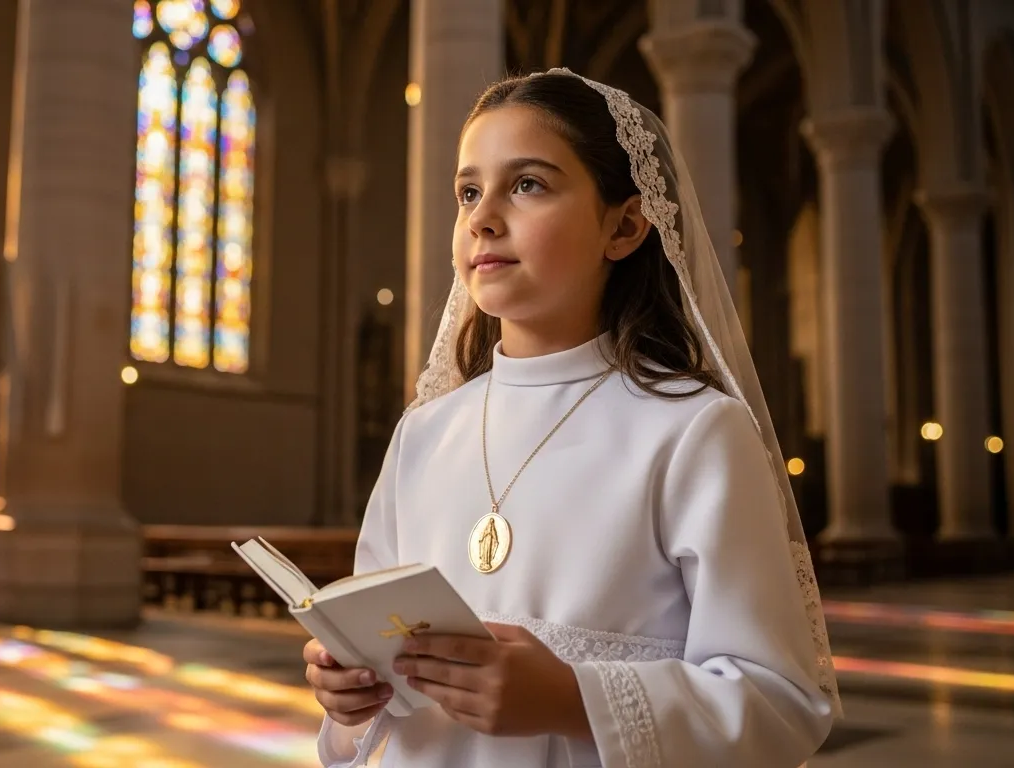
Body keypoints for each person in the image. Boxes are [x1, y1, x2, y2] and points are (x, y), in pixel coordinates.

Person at [303, 68, 840, 768]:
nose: (483, 217)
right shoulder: (425, 434)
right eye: (469, 192)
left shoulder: (693, 432)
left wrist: (570, 698)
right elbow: (377, 662)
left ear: (622, 227)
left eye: (527, 184)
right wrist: (351, 698)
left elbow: (781, 703)